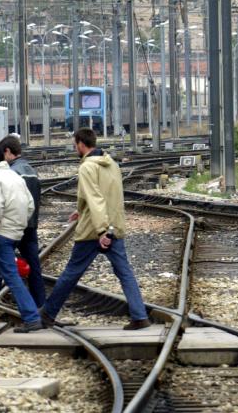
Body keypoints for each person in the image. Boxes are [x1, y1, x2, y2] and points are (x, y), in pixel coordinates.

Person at [39, 128, 152, 330]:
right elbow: (109, 197)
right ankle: (139, 315)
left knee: (71, 272)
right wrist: (81, 211)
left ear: (82, 144)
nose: (75, 148)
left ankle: (47, 313)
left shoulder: (87, 167)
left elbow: (95, 198)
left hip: (95, 230)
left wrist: (101, 231)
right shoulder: (112, 164)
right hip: (114, 225)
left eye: (75, 145)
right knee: (125, 272)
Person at [0, 144, 44, 333]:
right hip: (17, 232)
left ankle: (31, 317)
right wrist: (21, 224)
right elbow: (30, 205)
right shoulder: (16, 177)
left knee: (10, 275)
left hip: (2, 234)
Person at [0, 135, 45, 307]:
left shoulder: (12, 172)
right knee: (34, 267)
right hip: (31, 225)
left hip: (14, 226)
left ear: (8, 152)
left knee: (3, 266)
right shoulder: (31, 170)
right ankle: (40, 305)